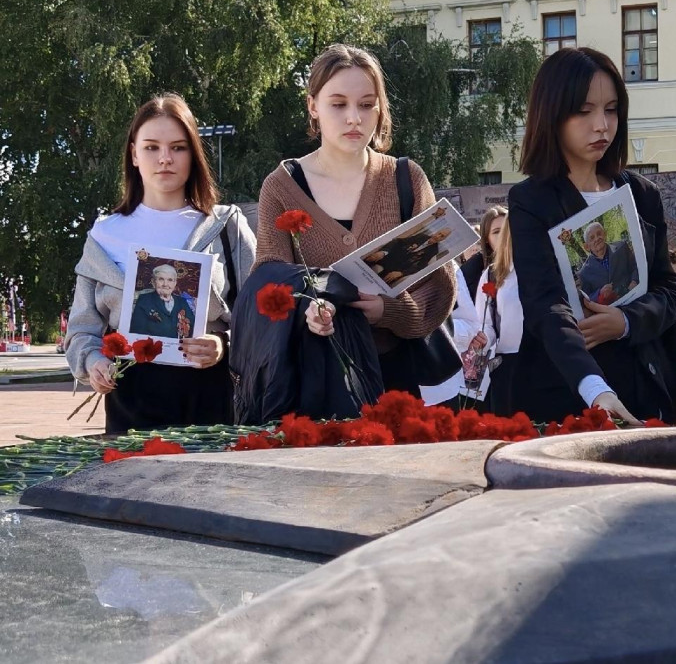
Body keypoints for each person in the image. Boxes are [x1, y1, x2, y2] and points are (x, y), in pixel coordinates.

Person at [254, 44, 454, 397]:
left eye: (366, 104)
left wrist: (391, 311)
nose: (354, 118)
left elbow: (439, 282)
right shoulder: (282, 186)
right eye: (338, 104)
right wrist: (308, 310)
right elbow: (270, 280)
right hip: (313, 374)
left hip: (393, 375)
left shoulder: (406, 179)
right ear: (313, 106)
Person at [507, 47, 676, 424]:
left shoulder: (643, 195)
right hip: (566, 395)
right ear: (552, 114)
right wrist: (594, 388)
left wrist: (625, 321)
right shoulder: (531, 201)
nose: (602, 125)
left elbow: (669, 292)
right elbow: (545, 304)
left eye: (611, 109)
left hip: (643, 389)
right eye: (584, 111)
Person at [65, 93, 257, 434]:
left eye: (178, 148)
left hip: (212, 397)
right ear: (134, 154)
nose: (165, 158)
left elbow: (259, 318)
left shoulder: (226, 226)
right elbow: (82, 329)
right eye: (152, 147)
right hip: (131, 400)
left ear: (193, 154)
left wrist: (223, 344)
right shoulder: (105, 234)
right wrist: (93, 362)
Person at [473, 212, 525, 415]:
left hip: (546, 357)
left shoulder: (539, 264)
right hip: (509, 362)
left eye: (507, 230)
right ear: (487, 241)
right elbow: (485, 322)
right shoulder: (490, 275)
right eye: (497, 232)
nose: (505, 236)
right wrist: (482, 339)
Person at [128, 264, 196, 339]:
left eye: (170, 280)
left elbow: (193, 327)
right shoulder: (144, 300)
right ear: (153, 282)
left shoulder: (182, 302)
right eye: (161, 279)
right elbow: (137, 331)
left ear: (175, 283)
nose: (165, 284)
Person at [578, 222, 638, 303]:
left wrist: (634, 281)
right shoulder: (584, 273)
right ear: (587, 247)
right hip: (610, 308)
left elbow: (635, 266)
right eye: (592, 238)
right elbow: (587, 298)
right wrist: (600, 293)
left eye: (599, 234)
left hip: (634, 296)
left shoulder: (622, 247)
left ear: (605, 234)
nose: (597, 238)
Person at [366, 228, 452, 285]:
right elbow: (399, 241)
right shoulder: (422, 236)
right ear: (437, 231)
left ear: (443, 239)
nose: (438, 236)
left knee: (379, 282)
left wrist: (401, 273)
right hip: (389, 256)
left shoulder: (434, 251)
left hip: (397, 268)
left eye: (442, 236)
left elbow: (420, 266)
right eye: (439, 233)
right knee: (368, 260)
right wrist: (383, 252)